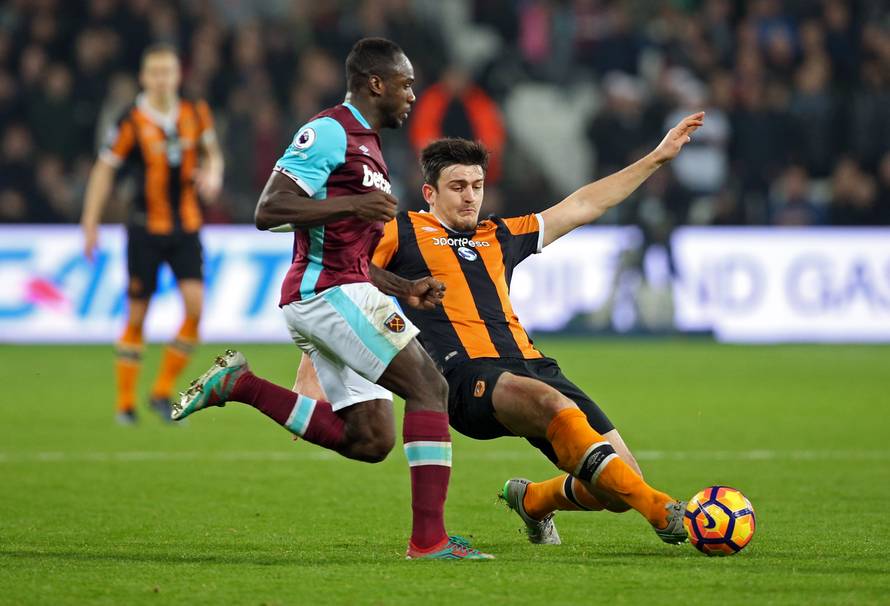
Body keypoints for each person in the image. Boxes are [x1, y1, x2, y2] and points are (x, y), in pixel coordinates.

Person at [295, 113, 705, 546]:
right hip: (463, 376)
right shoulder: (403, 230)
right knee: (555, 409)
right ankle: (662, 511)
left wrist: (657, 159)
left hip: (531, 365)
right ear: (429, 193)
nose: (470, 197)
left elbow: (584, 205)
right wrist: (313, 363)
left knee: (616, 487)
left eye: (476, 186)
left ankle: (533, 500)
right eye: (457, 187)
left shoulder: (500, 235)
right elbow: (343, 283)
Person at [172, 38, 492, 561]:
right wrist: (355, 201)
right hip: (326, 293)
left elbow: (356, 256)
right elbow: (269, 208)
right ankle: (429, 542)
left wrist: (406, 288)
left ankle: (241, 384)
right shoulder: (328, 132)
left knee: (370, 440)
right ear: (376, 83)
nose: (412, 95)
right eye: (406, 84)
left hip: (346, 288)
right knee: (430, 386)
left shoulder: (369, 148)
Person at [80, 43, 224, 424]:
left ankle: (160, 391)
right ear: (144, 77)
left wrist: (212, 176)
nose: (162, 79)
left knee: (195, 309)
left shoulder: (196, 112)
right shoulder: (130, 121)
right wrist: (90, 221)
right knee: (138, 315)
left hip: (187, 227)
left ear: (178, 75)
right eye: (155, 72)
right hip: (145, 229)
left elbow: (213, 154)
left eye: (168, 72)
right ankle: (125, 402)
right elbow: (104, 169)